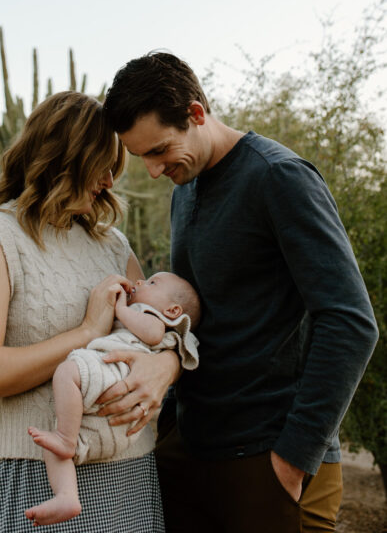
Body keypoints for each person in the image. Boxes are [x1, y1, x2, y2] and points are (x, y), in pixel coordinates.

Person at [103, 51, 379, 533]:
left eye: (159, 150)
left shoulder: (278, 177)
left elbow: (350, 321)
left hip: (267, 453)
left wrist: (293, 459)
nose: (152, 169)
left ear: (195, 113)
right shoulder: (185, 186)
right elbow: (198, 317)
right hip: (194, 443)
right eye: (141, 155)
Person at [0, 91, 180, 533]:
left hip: (130, 474)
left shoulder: (113, 245)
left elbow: (165, 330)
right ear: (64, 160)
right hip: (34, 473)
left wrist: (166, 365)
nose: (109, 183)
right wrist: (86, 332)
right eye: (102, 167)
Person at [26, 271, 200, 526]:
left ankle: (66, 437)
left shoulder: (154, 318)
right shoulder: (142, 311)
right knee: (53, 448)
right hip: (113, 410)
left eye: (152, 283)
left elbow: (151, 334)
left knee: (67, 372)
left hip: (118, 370)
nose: (140, 282)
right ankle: (67, 495)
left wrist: (120, 307)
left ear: (173, 310)